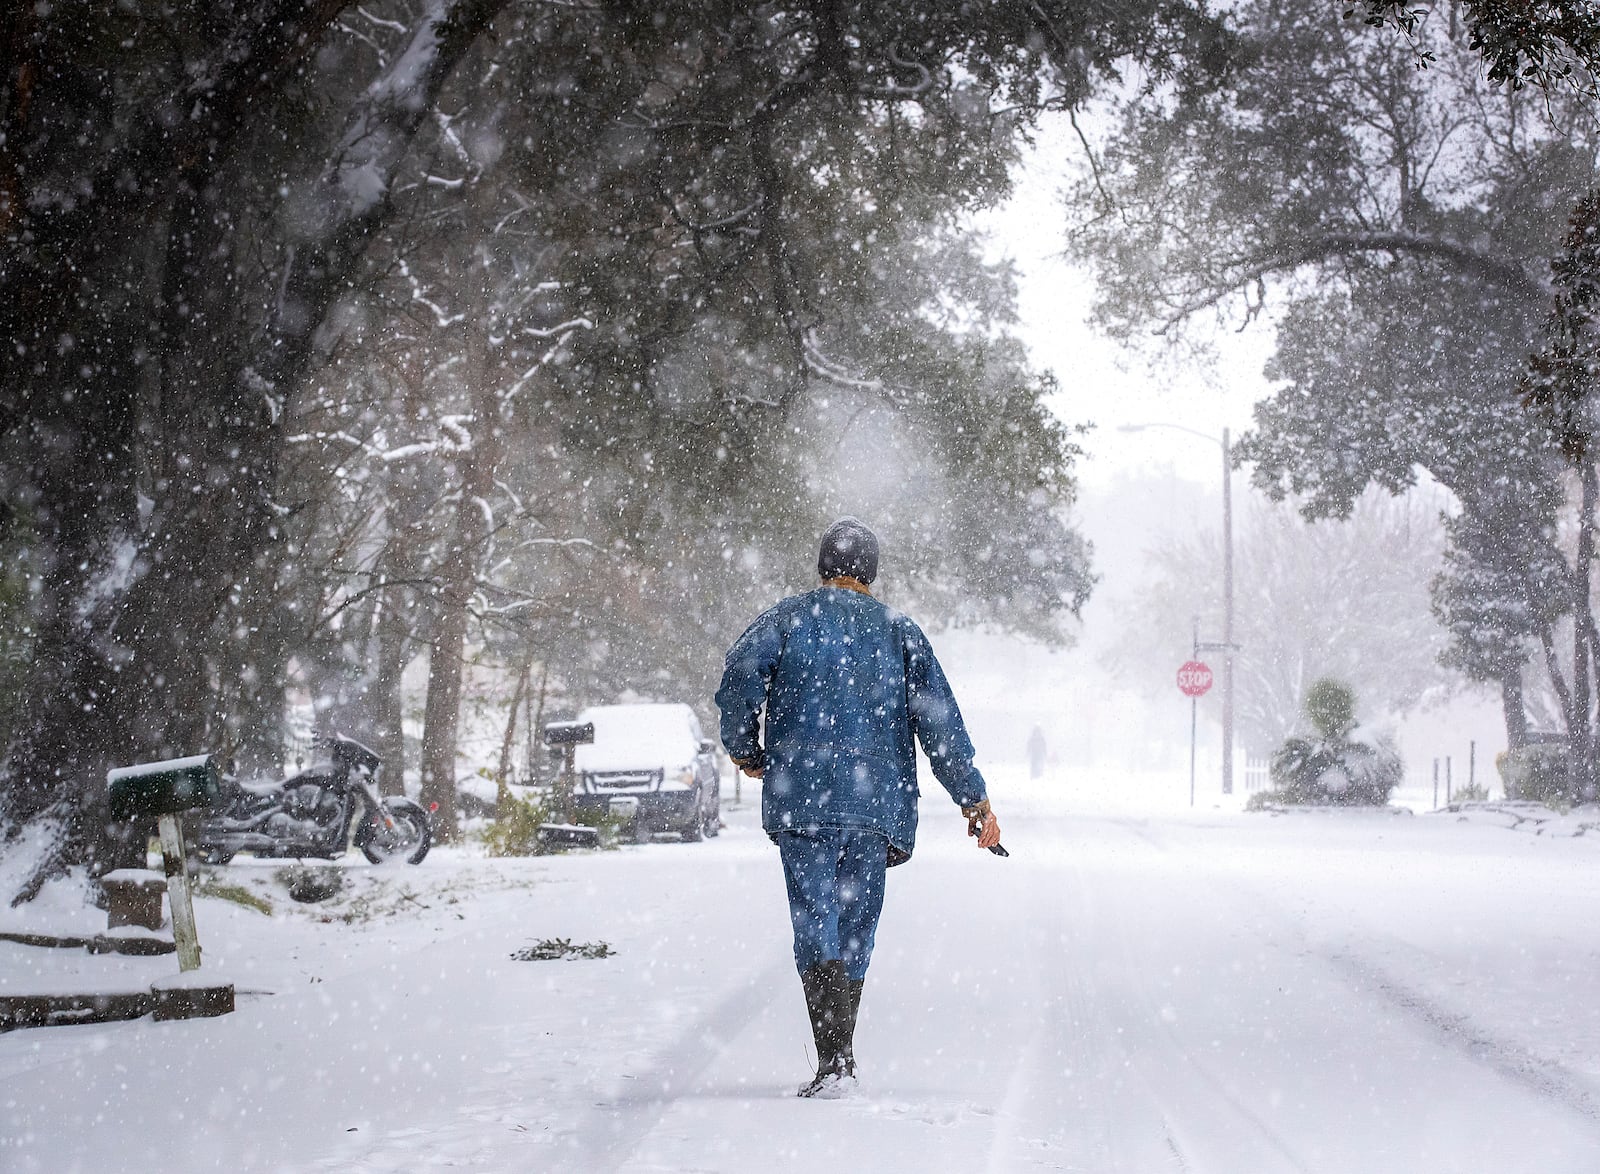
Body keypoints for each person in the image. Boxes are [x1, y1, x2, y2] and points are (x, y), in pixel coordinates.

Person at [715, 517, 1002, 1099]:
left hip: (803, 803)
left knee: (814, 920)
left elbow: (739, 675)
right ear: (870, 573)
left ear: (824, 568)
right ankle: (841, 1055)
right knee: (856, 928)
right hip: (876, 805)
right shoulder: (900, 632)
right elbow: (940, 723)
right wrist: (975, 801)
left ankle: (833, 1058)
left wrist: (749, 750)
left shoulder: (787, 619)